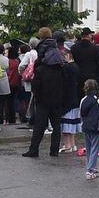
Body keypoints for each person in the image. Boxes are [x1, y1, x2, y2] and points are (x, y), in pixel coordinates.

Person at [23, 28, 69, 159]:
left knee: (39, 126)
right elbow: (65, 84)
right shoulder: (61, 68)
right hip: (57, 100)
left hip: (43, 100)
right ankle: (54, 150)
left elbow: (35, 86)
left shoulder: (40, 69)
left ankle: (34, 149)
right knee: (56, 126)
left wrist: (37, 95)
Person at [78, 78, 99, 180]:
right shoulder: (98, 100)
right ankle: (90, 169)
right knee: (95, 148)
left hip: (86, 126)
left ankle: (91, 166)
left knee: (89, 147)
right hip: (96, 126)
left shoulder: (83, 100)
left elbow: (81, 114)